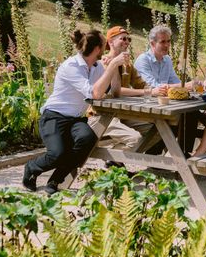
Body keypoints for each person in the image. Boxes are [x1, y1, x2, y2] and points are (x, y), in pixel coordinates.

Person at [23, 29, 128, 194]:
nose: (107, 48)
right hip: (54, 117)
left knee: (88, 139)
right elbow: (95, 94)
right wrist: (113, 64)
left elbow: (115, 92)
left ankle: (55, 180)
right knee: (57, 154)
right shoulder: (71, 66)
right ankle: (32, 167)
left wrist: (112, 66)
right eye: (104, 45)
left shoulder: (95, 66)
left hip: (75, 120)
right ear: (97, 49)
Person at [91, 26, 164, 151]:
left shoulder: (128, 65)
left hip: (122, 113)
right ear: (110, 42)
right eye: (123, 39)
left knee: (159, 131)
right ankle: (115, 158)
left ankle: (114, 160)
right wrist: (149, 92)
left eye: (129, 39)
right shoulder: (102, 63)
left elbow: (141, 84)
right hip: (101, 115)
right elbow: (115, 92)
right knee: (135, 139)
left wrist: (160, 90)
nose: (127, 42)